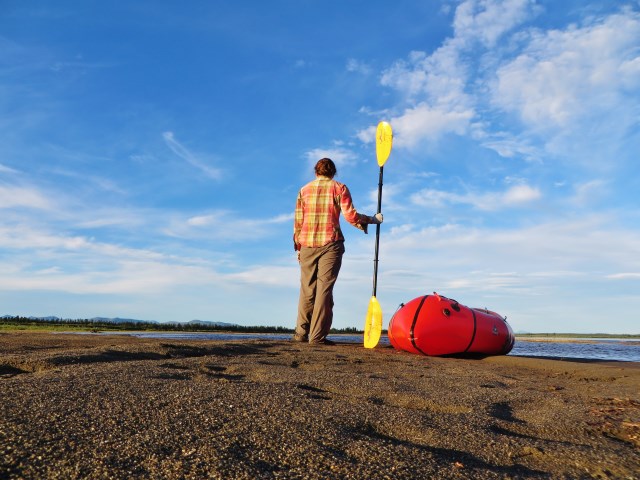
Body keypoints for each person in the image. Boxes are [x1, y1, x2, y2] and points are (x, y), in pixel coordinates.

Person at [293, 158, 383, 345]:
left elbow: (298, 222)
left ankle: (301, 335)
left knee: (307, 289)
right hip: (330, 244)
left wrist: (298, 247)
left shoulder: (304, 190)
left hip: (307, 245)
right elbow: (351, 215)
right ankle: (316, 337)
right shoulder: (339, 188)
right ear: (333, 172)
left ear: (316, 172)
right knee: (324, 289)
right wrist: (372, 220)